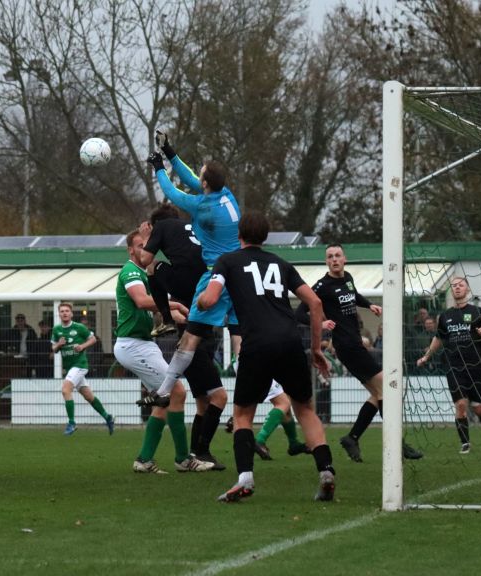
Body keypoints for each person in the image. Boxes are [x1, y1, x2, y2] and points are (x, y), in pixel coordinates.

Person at [197, 211, 336, 502]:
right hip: (289, 343)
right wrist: (316, 348)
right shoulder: (282, 264)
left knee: (243, 414)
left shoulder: (228, 261)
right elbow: (314, 302)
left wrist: (200, 299)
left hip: (257, 344)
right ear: (266, 236)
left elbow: (209, 299)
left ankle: (245, 479)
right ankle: (326, 471)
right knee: (305, 410)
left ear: (239, 235)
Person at [140, 131, 240, 460]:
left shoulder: (203, 208)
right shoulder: (226, 196)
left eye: (201, 175)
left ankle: (164, 391)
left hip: (216, 278)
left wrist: (157, 169)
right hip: (236, 275)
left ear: (206, 184)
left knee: (191, 337)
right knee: (236, 335)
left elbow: (172, 192)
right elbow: (188, 176)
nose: (197, 177)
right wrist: (168, 152)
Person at [297, 243, 423, 462]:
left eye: (337, 255)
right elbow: (299, 312)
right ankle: (397, 444)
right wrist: (321, 322)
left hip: (355, 345)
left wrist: (369, 305)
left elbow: (353, 295)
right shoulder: (321, 286)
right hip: (346, 346)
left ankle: (352, 437)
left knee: (379, 394)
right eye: (330, 257)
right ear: (326, 261)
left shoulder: (347, 279)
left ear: (344, 259)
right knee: (387, 389)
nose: (334, 259)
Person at [138, 200, 229, 468]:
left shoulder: (162, 230)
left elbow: (146, 260)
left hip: (195, 326)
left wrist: (147, 239)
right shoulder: (195, 228)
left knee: (204, 399)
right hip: (202, 314)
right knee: (216, 397)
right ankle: (199, 453)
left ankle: (196, 453)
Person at [114, 230, 213, 473]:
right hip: (132, 345)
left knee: (165, 398)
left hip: (145, 344)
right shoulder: (130, 271)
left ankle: (145, 459)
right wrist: (175, 304)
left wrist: (190, 316)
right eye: (138, 245)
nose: (143, 249)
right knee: (177, 392)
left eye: (146, 245)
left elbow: (159, 311)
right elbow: (141, 301)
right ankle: (183, 459)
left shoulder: (145, 274)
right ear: (130, 250)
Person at [417, 276, 481, 454]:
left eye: (461, 285)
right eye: (454, 286)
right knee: (460, 405)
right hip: (453, 366)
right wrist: (426, 356)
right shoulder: (445, 316)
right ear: (452, 290)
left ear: (467, 289)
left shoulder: (477, 311)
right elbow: (439, 338)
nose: (457, 288)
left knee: (479, 408)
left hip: (476, 366)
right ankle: (465, 443)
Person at [138, 202, 206, 337]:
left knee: (152, 266)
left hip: (184, 282)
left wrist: (146, 238)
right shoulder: (189, 226)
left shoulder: (161, 226)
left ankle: (167, 320)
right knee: (195, 328)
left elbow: (145, 259)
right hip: (205, 283)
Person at [51, 302, 114, 435]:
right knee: (88, 396)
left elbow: (93, 339)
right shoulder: (56, 330)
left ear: (71, 313)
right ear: (59, 314)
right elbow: (53, 349)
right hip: (70, 368)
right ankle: (108, 417)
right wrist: (59, 344)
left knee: (65, 389)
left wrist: (82, 346)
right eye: (62, 311)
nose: (64, 313)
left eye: (67, 311)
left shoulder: (79, 327)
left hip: (80, 365)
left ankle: (72, 423)